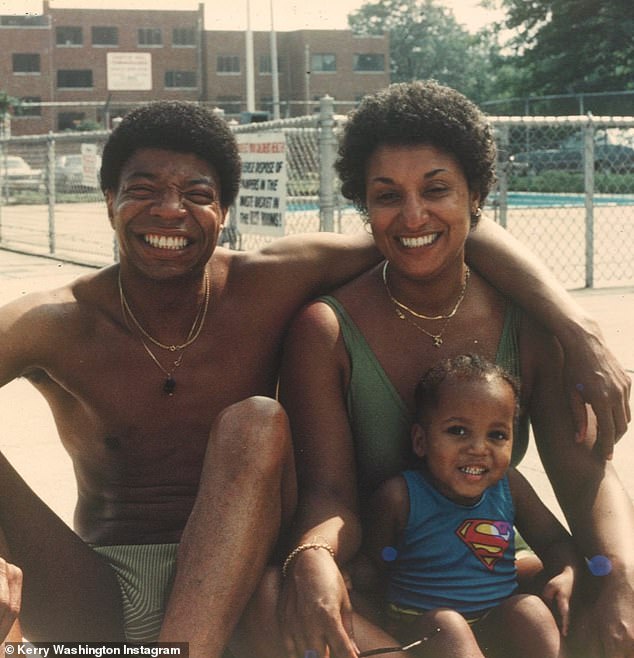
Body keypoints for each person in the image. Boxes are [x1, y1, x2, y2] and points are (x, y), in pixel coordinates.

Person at [0, 99, 629, 657]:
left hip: (243, 576)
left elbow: (445, 233)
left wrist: (577, 329)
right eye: (142, 189)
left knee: (256, 421)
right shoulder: (55, 321)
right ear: (108, 199)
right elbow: (426, 222)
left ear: (224, 208)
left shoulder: (263, 282)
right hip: (100, 587)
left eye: (196, 192)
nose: (170, 211)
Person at [242, 81, 634, 658]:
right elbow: (328, 494)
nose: (413, 215)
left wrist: (616, 574)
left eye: (437, 190)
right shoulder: (326, 330)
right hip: (383, 583)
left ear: (476, 196)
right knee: (281, 600)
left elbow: (584, 472)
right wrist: (315, 557)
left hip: (492, 576)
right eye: (387, 195)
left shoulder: (526, 323)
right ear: (364, 205)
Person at [363, 353, 578, 658]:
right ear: (421, 441)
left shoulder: (509, 487)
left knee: (530, 609)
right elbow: (372, 567)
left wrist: (566, 571)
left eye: (497, 435)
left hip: (492, 621)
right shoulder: (400, 496)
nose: (478, 448)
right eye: (458, 430)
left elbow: (553, 540)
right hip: (424, 630)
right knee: (449, 625)